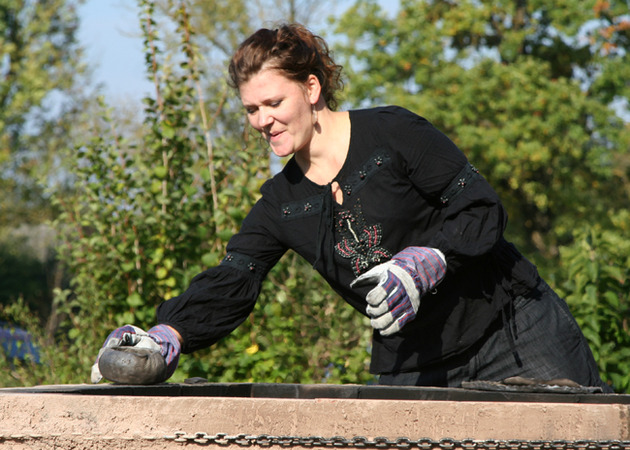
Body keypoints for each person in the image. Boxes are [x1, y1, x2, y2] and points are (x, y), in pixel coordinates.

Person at [91, 23, 612, 392]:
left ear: (311, 87)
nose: (261, 120)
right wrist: (165, 335)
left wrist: (426, 260)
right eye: (251, 109)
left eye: (273, 102)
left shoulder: (393, 133)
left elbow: (481, 208)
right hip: (415, 363)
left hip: (514, 330)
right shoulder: (280, 203)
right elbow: (233, 279)